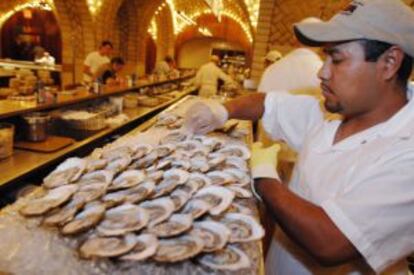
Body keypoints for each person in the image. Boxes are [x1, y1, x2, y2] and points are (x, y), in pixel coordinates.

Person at [183, 0, 414, 274]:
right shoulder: (331, 112)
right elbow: (266, 102)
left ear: (389, 63)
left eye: (337, 59)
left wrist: (264, 175)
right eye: (325, 57)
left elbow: (330, 242)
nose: (322, 72)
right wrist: (222, 111)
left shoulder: (405, 150)